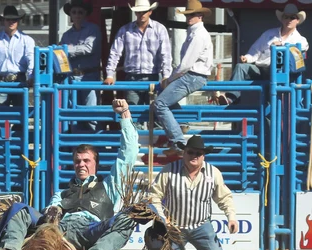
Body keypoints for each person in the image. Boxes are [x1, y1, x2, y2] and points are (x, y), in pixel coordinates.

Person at [0, 99, 139, 250]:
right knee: (20, 210)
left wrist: (125, 115)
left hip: (90, 229)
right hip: (59, 228)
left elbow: (129, 154)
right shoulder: (62, 193)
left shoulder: (110, 187)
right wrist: (53, 210)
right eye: (77, 161)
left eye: (86, 161)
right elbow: (52, 207)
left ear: (96, 163)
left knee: (127, 219)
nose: (81, 165)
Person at [131, 136, 241, 250]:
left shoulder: (213, 173)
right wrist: (162, 218)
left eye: (198, 153)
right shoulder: (168, 171)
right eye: (191, 152)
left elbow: (224, 198)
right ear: (184, 153)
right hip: (173, 227)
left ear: (204, 156)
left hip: (201, 226)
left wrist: (232, 217)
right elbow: (154, 196)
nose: (194, 156)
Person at [216, 4, 308, 106]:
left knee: (270, 107)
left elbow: (300, 51)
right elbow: (255, 51)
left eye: (292, 17)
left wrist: (282, 46)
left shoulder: (301, 40)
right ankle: (230, 98)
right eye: (286, 17)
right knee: (240, 67)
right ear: (282, 19)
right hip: (262, 69)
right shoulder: (269, 34)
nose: (289, 20)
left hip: (281, 75)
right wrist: (247, 58)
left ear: (298, 20)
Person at [153, 0, 213, 155]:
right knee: (164, 102)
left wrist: (169, 80)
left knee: (159, 104)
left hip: (192, 75)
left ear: (200, 16)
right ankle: (182, 125)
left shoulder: (197, 35)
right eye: (188, 14)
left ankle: (178, 143)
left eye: (192, 15)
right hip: (193, 75)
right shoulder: (196, 32)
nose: (189, 17)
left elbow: (186, 64)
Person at [104, 0, 172, 106]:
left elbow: (166, 55)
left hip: (153, 76)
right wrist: (110, 74)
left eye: (144, 11)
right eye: (139, 12)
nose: (141, 14)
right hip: (132, 77)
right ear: (135, 13)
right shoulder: (124, 30)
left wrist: (166, 75)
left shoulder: (160, 29)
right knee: (133, 111)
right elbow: (115, 53)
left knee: (156, 113)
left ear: (150, 12)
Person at [60, 0, 102, 132]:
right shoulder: (66, 34)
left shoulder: (93, 29)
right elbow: (61, 54)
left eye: (80, 12)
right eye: (74, 12)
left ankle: (95, 147)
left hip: (89, 76)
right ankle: (76, 147)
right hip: (72, 77)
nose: (77, 15)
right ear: (70, 15)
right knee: (73, 114)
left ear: (85, 14)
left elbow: (89, 48)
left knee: (91, 112)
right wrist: (68, 50)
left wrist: (68, 50)